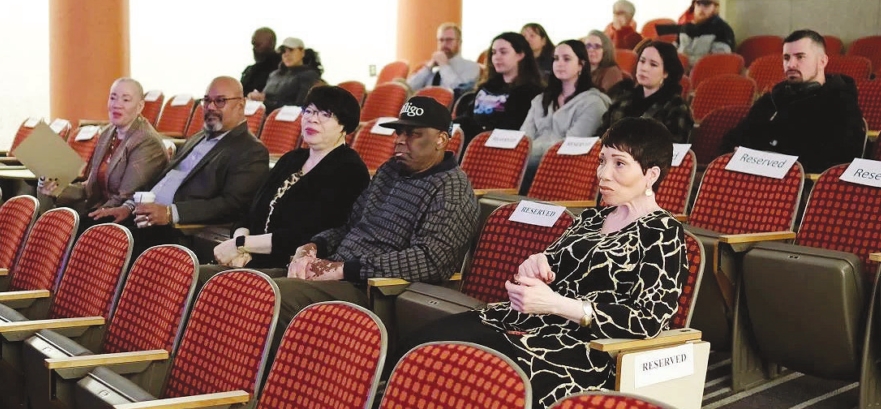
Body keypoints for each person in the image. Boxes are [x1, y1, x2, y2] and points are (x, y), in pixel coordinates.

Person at [393, 117, 687, 409]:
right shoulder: (592, 218)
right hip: (528, 321)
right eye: (602, 161)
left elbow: (648, 320)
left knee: (479, 375)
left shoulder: (663, 232)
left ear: (651, 174)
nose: (603, 174)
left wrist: (557, 304)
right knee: (425, 345)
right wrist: (535, 263)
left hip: (585, 348)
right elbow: (550, 265)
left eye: (619, 164)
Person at [275, 96, 478, 353]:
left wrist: (344, 270)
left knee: (271, 296)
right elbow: (350, 226)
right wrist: (314, 246)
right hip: (338, 273)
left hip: (374, 292)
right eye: (399, 133)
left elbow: (431, 261)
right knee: (242, 282)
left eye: (413, 134)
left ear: (441, 139)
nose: (400, 140)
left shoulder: (452, 191)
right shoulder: (389, 171)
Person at [203, 86, 369, 281]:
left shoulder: (349, 170)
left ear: (344, 125)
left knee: (205, 281)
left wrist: (241, 244)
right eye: (309, 111)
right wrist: (240, 247)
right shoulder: (291, 159)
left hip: (291, 269)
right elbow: (250, 212)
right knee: (193, 275)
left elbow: (306, 236)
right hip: (249, 258)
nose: (312, 119)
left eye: (325, 114)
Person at [97, 76, 269, 256]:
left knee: (106, 243)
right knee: (91, 226)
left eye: (220, 101)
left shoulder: (250, 151)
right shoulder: (198, 138)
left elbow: (232, 205)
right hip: (143, 218)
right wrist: (129, 206)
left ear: (241, 105)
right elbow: (161, 180)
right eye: (207, 101)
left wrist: (170, 213)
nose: (211, 107)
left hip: (175, 231)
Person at [720, 29, 864, 174]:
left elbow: (840, 160)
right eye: (786, 58)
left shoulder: (841, 102)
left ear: (822, 61)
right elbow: (732, 140)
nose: (791, 64)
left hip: (802, 184)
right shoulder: (772, 99)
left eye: (800, 57)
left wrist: (773, 158)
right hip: (755, 178)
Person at [37, 78, 168, 231]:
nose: (117, 104)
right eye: (113, 98)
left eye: (126, 100)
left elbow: (125, 198)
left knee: (61, 231)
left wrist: (88, 215)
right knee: (44, 224)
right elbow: (90, 188)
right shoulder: (107, 133)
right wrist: (57, 188)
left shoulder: (146, 141)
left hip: (123, 219)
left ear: (140, 106)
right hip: (97, 211)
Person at [520, 39, 611, 193]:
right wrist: (524, 153)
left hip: (565, 167)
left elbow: (571, 145)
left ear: (581, 65)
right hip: (531, 161)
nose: (559, 64)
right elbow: (524, 137)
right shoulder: (541, 99)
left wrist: (528, 154)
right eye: (556, 59)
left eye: (566, 59)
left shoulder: (593, 103)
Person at [455, 32, 545, 147]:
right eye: (494, 53)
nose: (497, 57)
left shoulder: (530, 91)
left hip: (500, 146)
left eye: (503, 52)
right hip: (471, 142)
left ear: (520, 55)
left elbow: (513, 127)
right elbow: (467, 116)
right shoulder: (488, 86)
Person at [599, 40, 693, 143]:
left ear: (666, 73)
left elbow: (674, 146)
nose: (644, 68)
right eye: (642, 61)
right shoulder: (623, 99)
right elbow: (601, 136)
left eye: (653, 64)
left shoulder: (676, 107)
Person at [407, 22, 480, 99]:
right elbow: (409, 88)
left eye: (449, 40)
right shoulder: (432, 68)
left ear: (459, 42)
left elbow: (457, 92)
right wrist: (428, 68)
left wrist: (444, 65)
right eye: (441, 40)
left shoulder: (471, 67)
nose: (444, 44)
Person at [248, 37, 323, 113]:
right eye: (283, 51)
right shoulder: (274, 75)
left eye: (291, 50)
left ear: (302, 52)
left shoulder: (309, 76)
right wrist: (256, 97)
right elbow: (265, 96)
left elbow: (300, 106)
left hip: (288, 118)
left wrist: (265, 102)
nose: (286, 54)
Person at [677, 0, 735, 67]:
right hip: (679, 70)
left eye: (706, 4)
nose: (701, 8)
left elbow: (718, 61)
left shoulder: (722, 29)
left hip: (704, 71)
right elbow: (673, 51)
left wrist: (686, 61)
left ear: (716, 7)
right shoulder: (685, 28)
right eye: (698, 3)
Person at [241, 27, 282, 96]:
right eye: (253, 44)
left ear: (271, 44)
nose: (254, 48)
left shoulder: (281, 69)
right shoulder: (251, 69)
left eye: (258, 44)